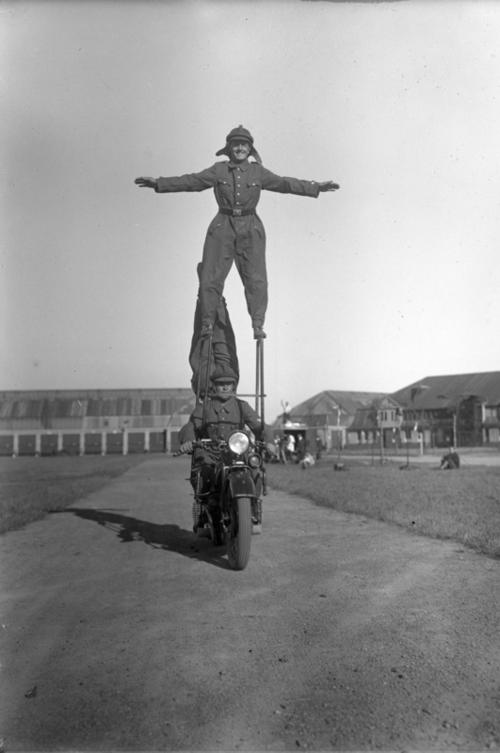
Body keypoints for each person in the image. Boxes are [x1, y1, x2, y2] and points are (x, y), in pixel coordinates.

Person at [135, 125, 340, 340]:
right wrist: (159, 183)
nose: (239, 148)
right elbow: (192, 181)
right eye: (235, 144)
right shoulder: (218, 170)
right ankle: (207, 323)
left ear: (250, 149)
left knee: (256, 280)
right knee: (210, 277)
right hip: (222, 226)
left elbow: (285, 183)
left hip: (251, 228)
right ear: (229, 147)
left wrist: (315, 187)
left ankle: (257, 324)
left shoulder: (257, 171)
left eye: (244, 144)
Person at [178, 364, 271, 529]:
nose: (225, 386)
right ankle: (204, 508)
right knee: (204, 471)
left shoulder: (242, 406)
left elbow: (258, 426)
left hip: (237, 453)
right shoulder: (205, 407)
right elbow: (191, 426)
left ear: (234, 385)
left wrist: (268, 440)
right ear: (213, 385)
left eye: (229, 383)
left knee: (254, 469)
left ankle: (252, 507)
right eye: (221, 383)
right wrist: (188, 440)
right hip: (210, 452)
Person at [189, 263, 239, 396]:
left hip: (210, 386)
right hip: (217, 385)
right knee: (221, 346)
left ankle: (209, 295)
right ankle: (212, 296)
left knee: (206, 343)